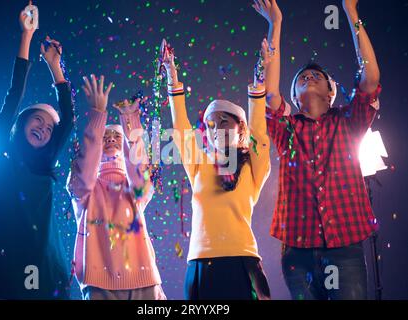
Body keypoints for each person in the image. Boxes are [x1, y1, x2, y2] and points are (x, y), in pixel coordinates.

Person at [255, 0, 381, 299]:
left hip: (345, 250)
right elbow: (269, 94)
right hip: (297, 253)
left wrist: (351, 13)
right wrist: (275, 23)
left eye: (317, 76)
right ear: (296, 98)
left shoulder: (349, 122)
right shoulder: (287, 129)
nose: (308, 77)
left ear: (330, 93)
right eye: (301, 78)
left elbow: (371, 77)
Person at [0, 3, 74, 299]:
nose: (43, 128)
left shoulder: (44, 166)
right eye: (37, 121)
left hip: (43, 265)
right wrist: (27, 36)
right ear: (20, 125)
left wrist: (56, 66)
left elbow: (67, 121)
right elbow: (13, 95)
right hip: (2, 261)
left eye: (48, 129)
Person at [163, 38, 272, 300]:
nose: (216, 129)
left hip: (242, 263)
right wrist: (171, 74)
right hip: (200, 264)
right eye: (210, 125)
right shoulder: (200, 164)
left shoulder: (253, 164)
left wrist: (258, 83)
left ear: (241, 129)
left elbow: (260, 130)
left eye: (224, 122)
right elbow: (180, 128)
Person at [67, 74, 165, 300]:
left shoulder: (134, 188)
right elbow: (83, 175)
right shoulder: (85, 190)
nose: (111, 137)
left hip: (145, 282)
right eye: (106, 135)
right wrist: (97, 116)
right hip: (99, 285)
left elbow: (139, 171)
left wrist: (130, 121)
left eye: (116, 135)